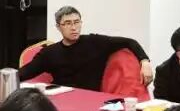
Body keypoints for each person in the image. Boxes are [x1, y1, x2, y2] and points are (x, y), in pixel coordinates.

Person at [18, 5, 153, 92]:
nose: (73, 27)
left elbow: (129, 42)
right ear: (58, 27)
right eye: (68, 23)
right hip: (61, 98)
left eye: (77, 22)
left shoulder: (94, 42)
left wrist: (144, 61)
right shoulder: (50, 52)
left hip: (91, 98)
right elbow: (25, 73)